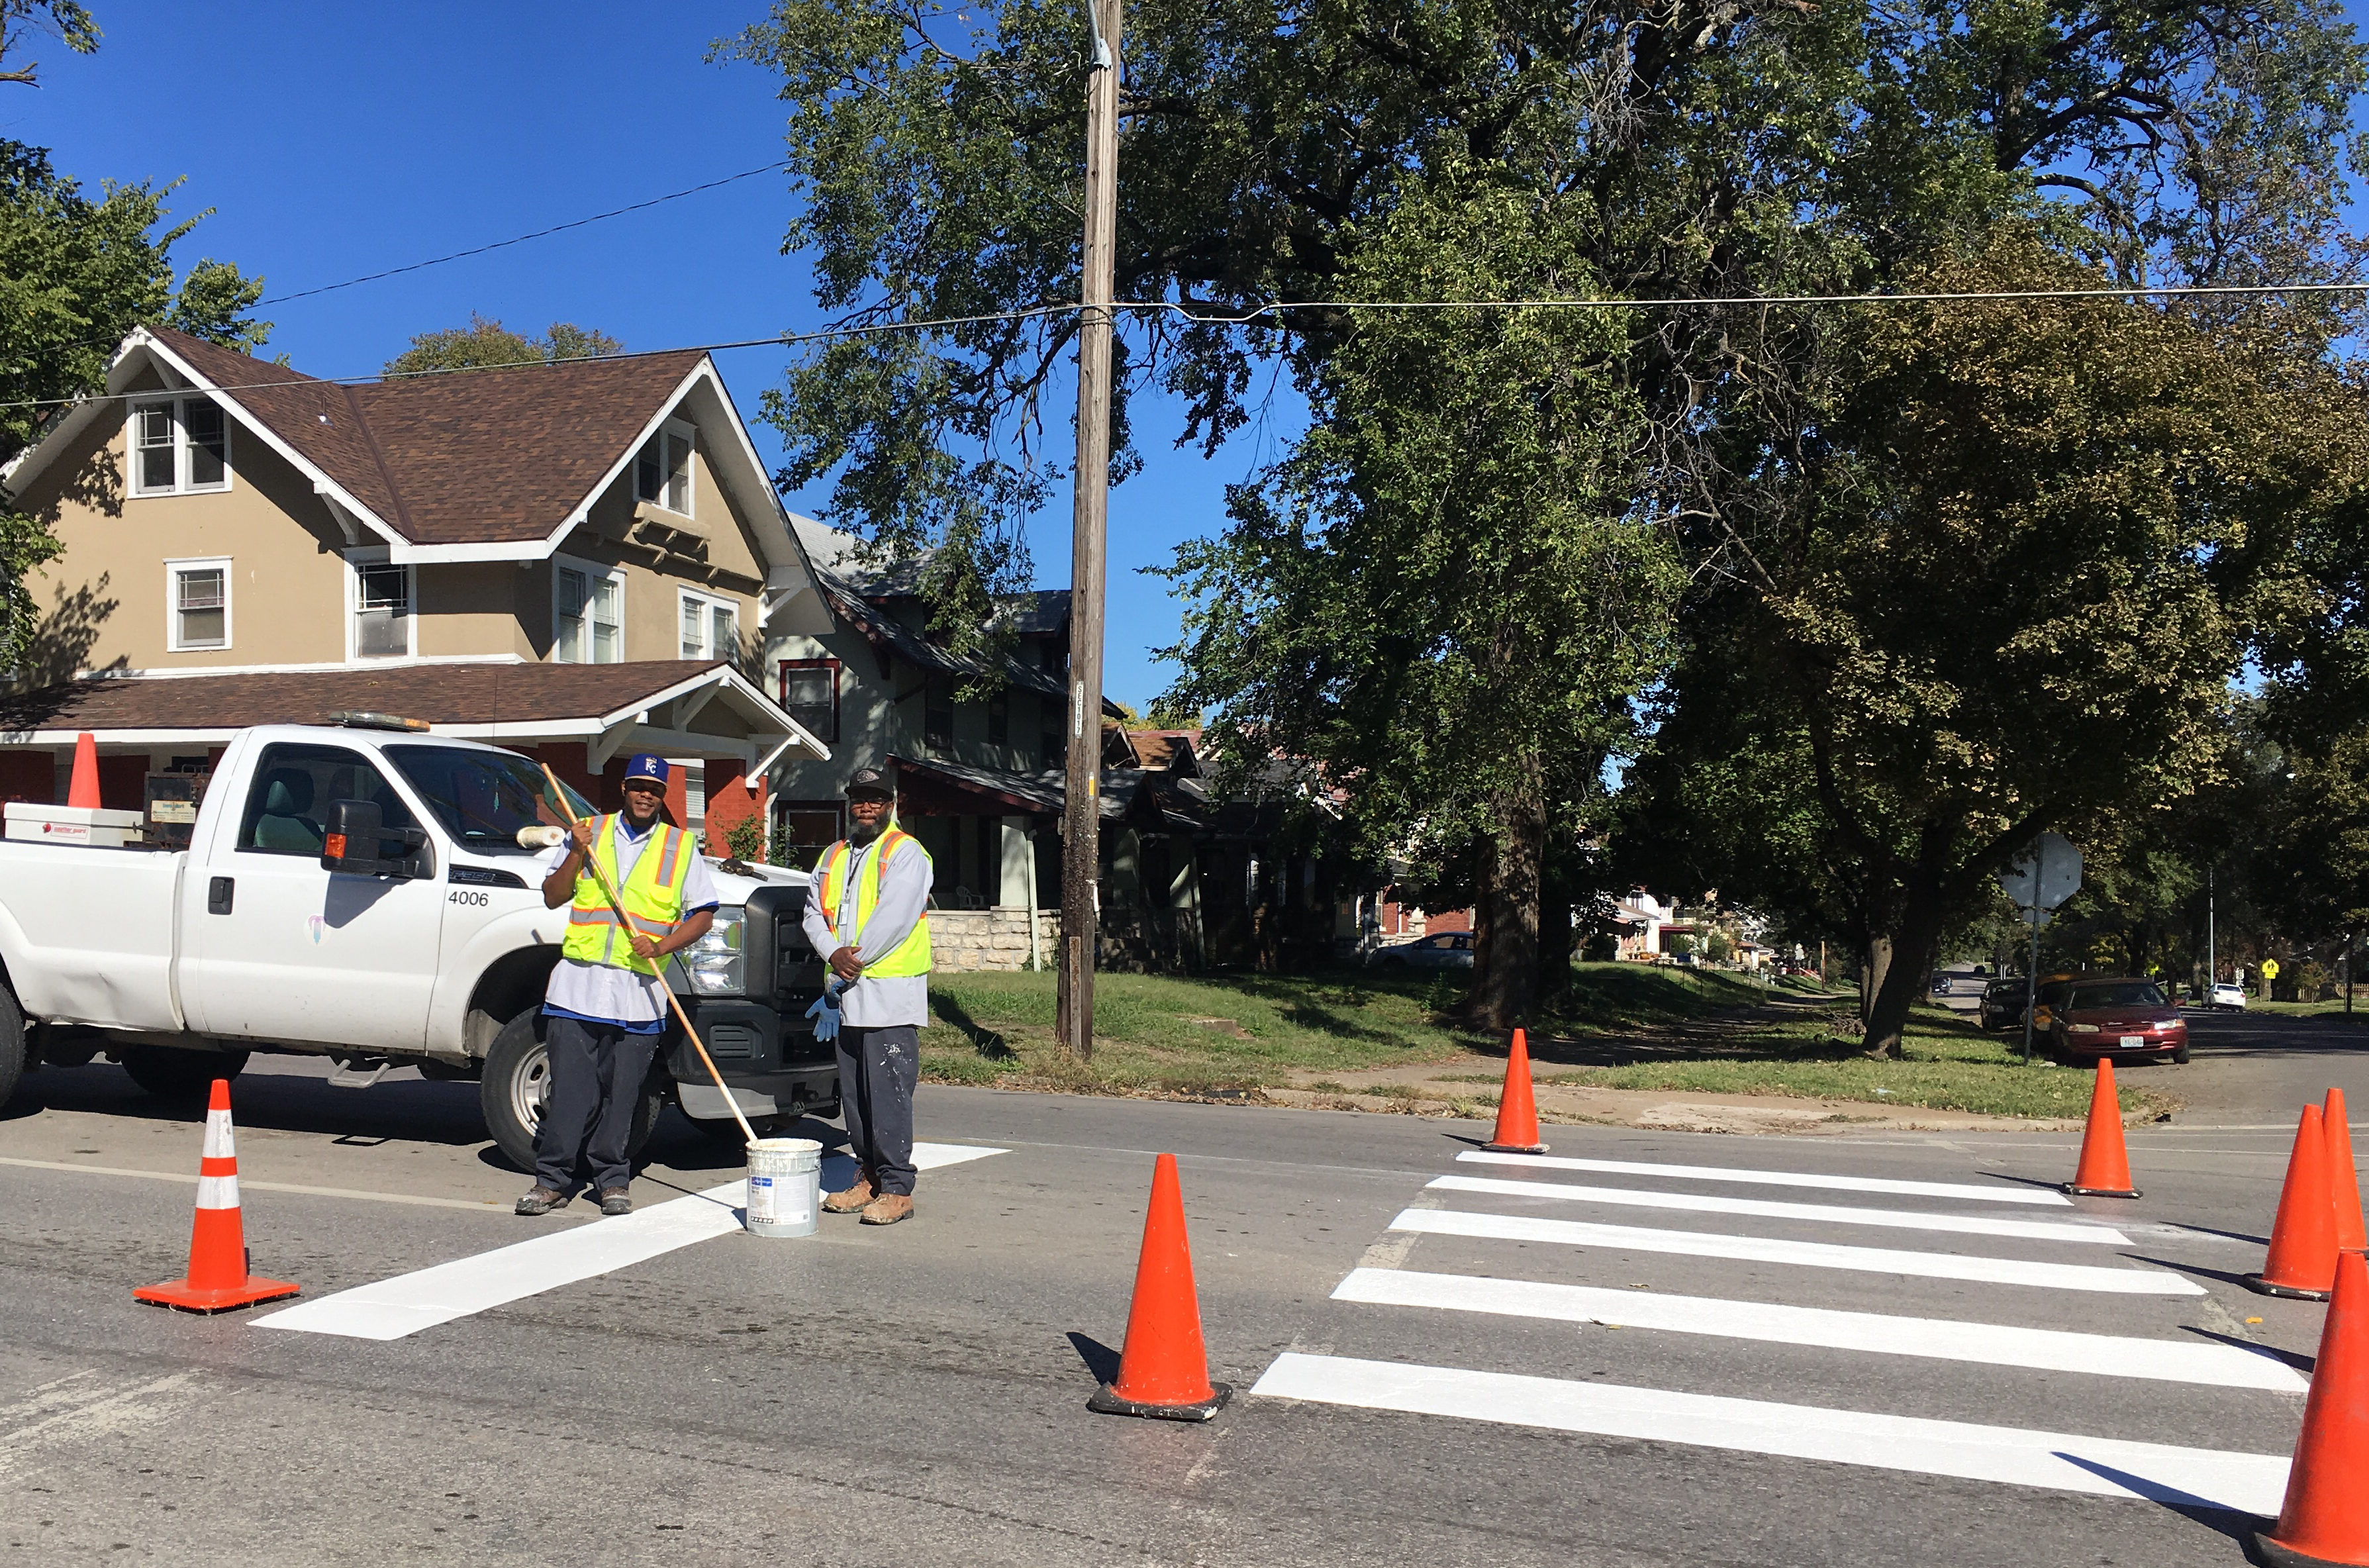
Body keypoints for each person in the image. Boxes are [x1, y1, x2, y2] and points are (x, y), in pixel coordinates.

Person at [516, 754, 719, 1218]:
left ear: (663, 796)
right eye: (638, 786)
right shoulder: (587, 830)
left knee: (623, 1094)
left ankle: (611, 1180)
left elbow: (703, 912)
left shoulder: (679, 846)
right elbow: (552, 897)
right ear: (624, 789)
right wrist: (575, 852)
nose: (645, 794)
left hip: (640, 993)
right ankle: (551, 1180)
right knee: (570, 1091)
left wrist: (664, 944)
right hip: (577, 989)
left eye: (655, 788)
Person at [803, 765, 933, 1226]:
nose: (867, 806)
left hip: (888, 994)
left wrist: (850, 959)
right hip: (846, 995)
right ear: (850, 802)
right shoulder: (834, 855)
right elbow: (812, 912)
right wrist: (832, 952)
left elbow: (895, 918)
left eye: (876, 798)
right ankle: (870, 1178)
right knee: (857, 1097)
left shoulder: (906, 853)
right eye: (860, 797)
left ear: (891, 804)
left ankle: (898, 1188)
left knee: (889, 1093)